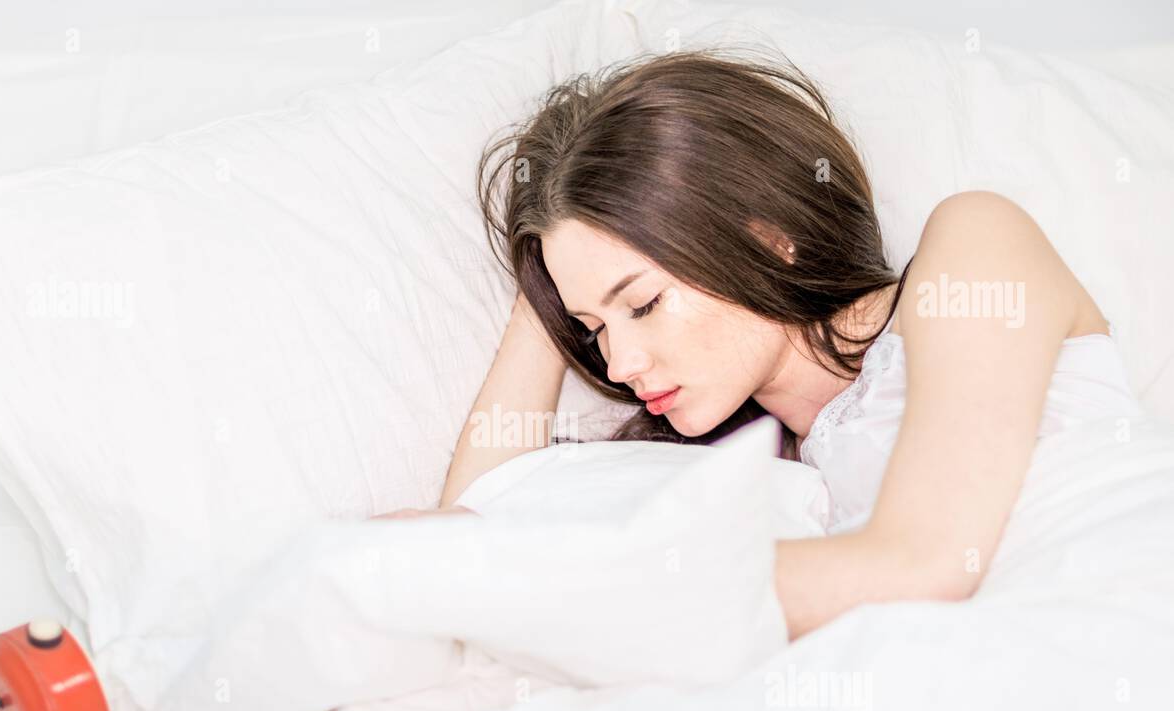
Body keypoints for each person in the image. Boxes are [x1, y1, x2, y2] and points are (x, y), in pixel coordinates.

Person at [373, 50, 1144, 641]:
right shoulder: (778, 479)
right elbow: (482, 510)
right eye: (593, 331)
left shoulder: (974, 248)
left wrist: (534, 580)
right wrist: (552, 287)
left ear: (769, 236)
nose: (617, 365)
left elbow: (923, 563)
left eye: (642, 304)